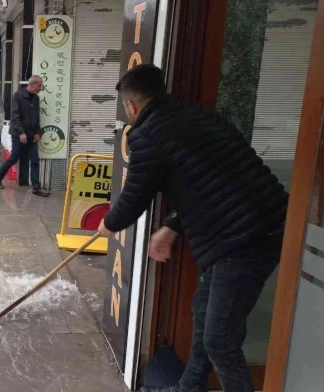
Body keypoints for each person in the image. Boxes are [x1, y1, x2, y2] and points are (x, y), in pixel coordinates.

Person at [95, 64, 287, 392]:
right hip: (256, 226)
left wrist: (109, 223)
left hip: (244, 239)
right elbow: (207, 183)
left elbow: (135, 196)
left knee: (220, 341)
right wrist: (171, 226)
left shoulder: (149, 134)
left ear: (131, 106)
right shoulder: (194, 116)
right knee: (203, 307)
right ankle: (190, 387)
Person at [0, 76, 50, 197]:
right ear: (32, 84)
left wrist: (37, 132)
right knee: (14, 158)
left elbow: (37, 117)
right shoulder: (18, 96)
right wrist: (21, 132)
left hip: (31, 135)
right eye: (39, 85)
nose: (41, 88)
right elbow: (15, 116)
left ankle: (36, 187)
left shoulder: (36, 98)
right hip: (19, 135)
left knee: (35, 160)